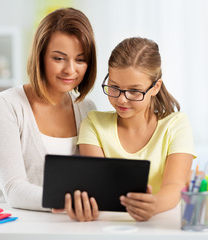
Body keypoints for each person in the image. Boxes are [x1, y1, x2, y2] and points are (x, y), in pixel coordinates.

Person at [66, 37, 196, 222]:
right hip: (107, 226)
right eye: (114, 87)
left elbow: (175, 186)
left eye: (134, 91)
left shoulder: (176, 125)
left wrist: (154, 205)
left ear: (155, 87)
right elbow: (96, 186)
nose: (122, 99)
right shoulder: (94, 123)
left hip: (159, 224)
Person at [0, 8, 97, 211]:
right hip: (14, 225)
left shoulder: (87, 109)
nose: (70, 70)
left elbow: (94, 177)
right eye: (59, 58)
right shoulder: (6, 104)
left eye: (80, 59)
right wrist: (65, 201)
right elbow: (13, 188)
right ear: (40, 56)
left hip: (66, 224)